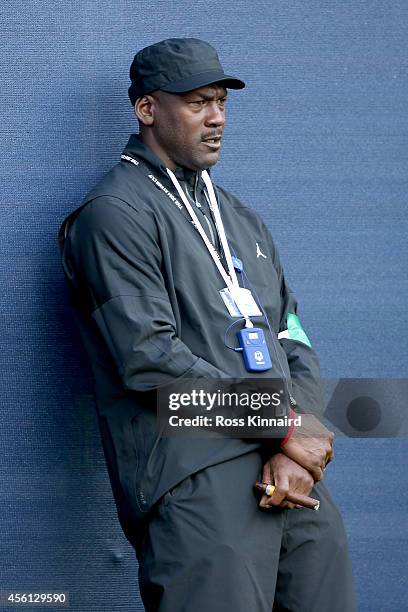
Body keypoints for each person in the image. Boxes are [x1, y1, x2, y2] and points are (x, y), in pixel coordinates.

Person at [59, 38, 356, 612]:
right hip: (196, 470)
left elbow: (291, 336)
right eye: (197, 102)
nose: (217, 118)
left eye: (220, 101)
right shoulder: (114, 215)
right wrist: (284, 426)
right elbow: (149, 359)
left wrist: (297, 437)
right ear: (148, 110)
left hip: (287, 473)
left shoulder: (241, 219)